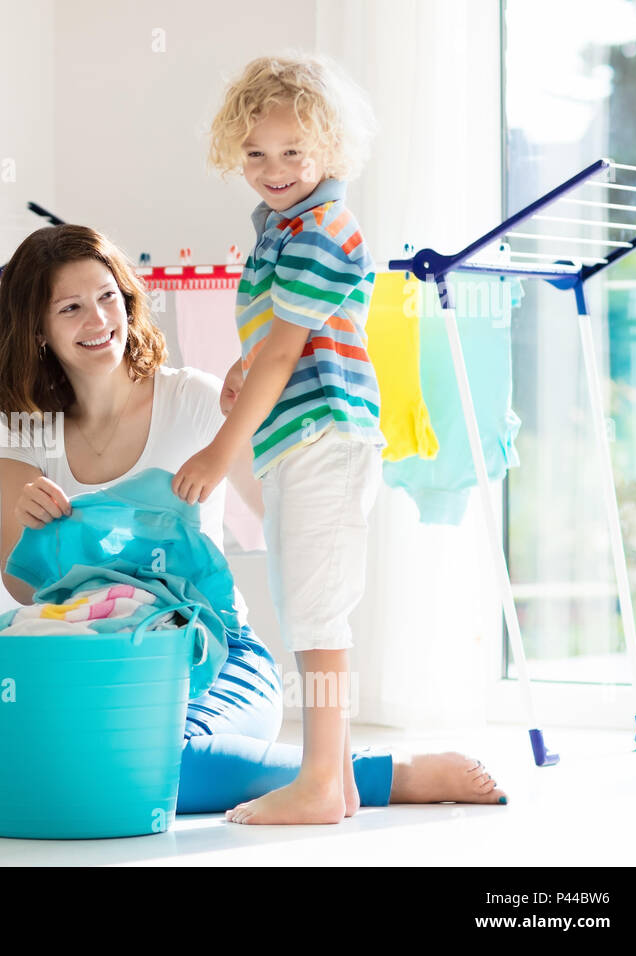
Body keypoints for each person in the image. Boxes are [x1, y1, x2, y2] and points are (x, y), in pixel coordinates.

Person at [0, 220, 507, 816]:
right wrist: (33, 531)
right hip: (87, 656)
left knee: (160, 762)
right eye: (71, 308)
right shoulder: (30, 425)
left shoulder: (193, 400)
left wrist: (293, 425)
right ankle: (298, 773)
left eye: (108, 297)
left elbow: (282, 511)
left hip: (212, 651)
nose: (99, 321)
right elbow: (19, 582)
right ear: (36, 328)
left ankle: (378, 776)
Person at [173, 53, 391, 824]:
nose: (274, 169)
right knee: (307, 605)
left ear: (330, 150)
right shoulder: (286, 227)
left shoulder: (321, 228)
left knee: (314, 612)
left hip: (324, 431)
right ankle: (336, 780)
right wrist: (242, 365)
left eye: (293, 152)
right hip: (305, 434)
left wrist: (221, 449)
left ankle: (320, 784)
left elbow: (287, 350)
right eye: (257, 154)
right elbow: (277, 335)